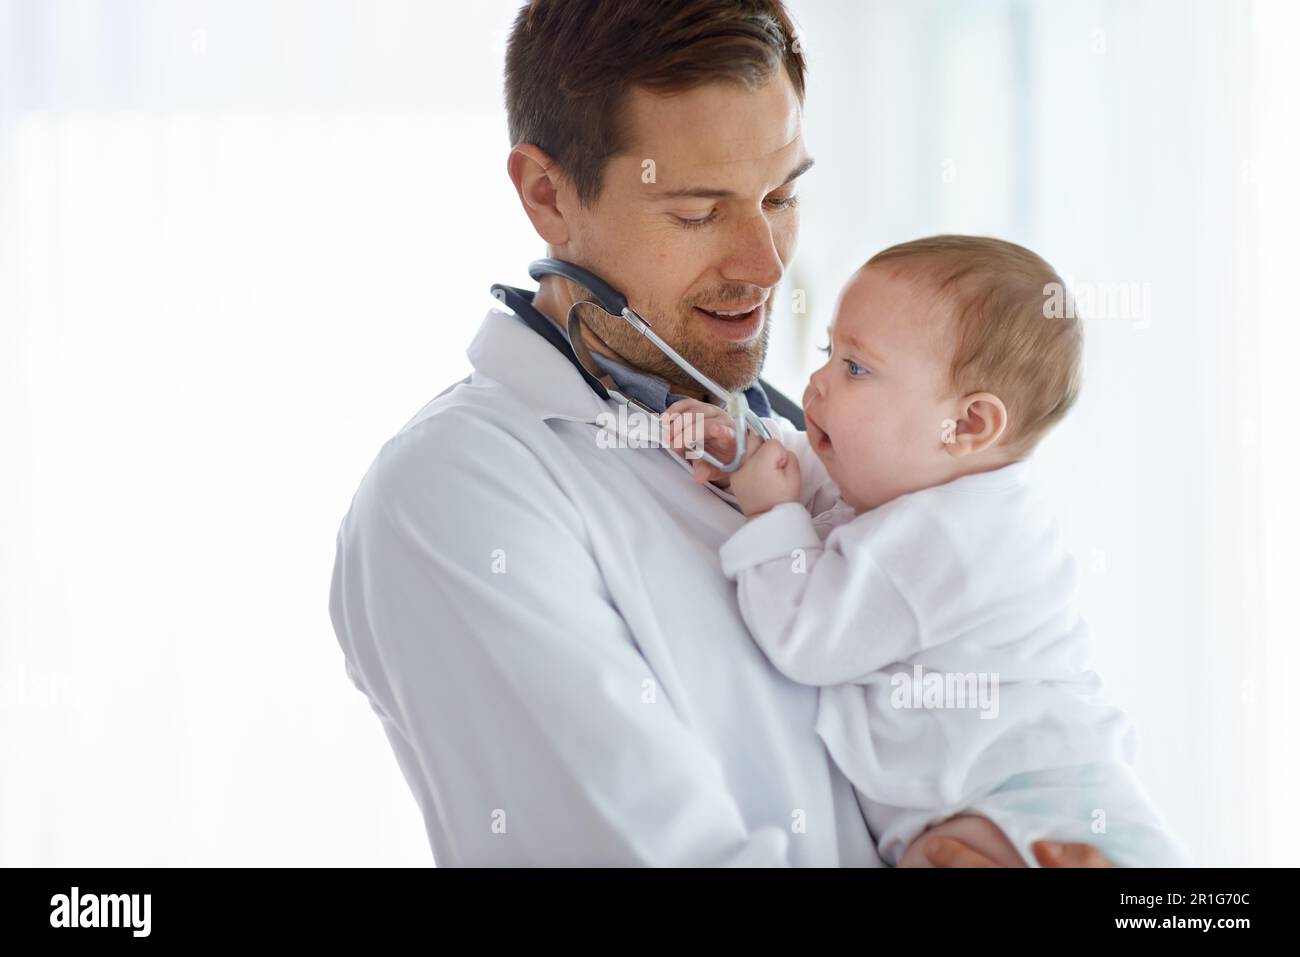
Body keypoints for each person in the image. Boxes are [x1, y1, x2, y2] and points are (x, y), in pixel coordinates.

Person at [329, 0, 1115, 867]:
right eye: (700, 211)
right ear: (546, 195)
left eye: (780, 195)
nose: (766, 264)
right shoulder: (457, 494)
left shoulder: (817, 446)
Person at [663, 235, 1189, 867]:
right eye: (831, 352)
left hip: (1040, 809)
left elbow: (808, 635)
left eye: (856, 368)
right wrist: (742, 448)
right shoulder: (911, 482)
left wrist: (770, 512)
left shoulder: (949, 539)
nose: (817, 381)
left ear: (967, 426)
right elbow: (805, 463)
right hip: (994, 810)